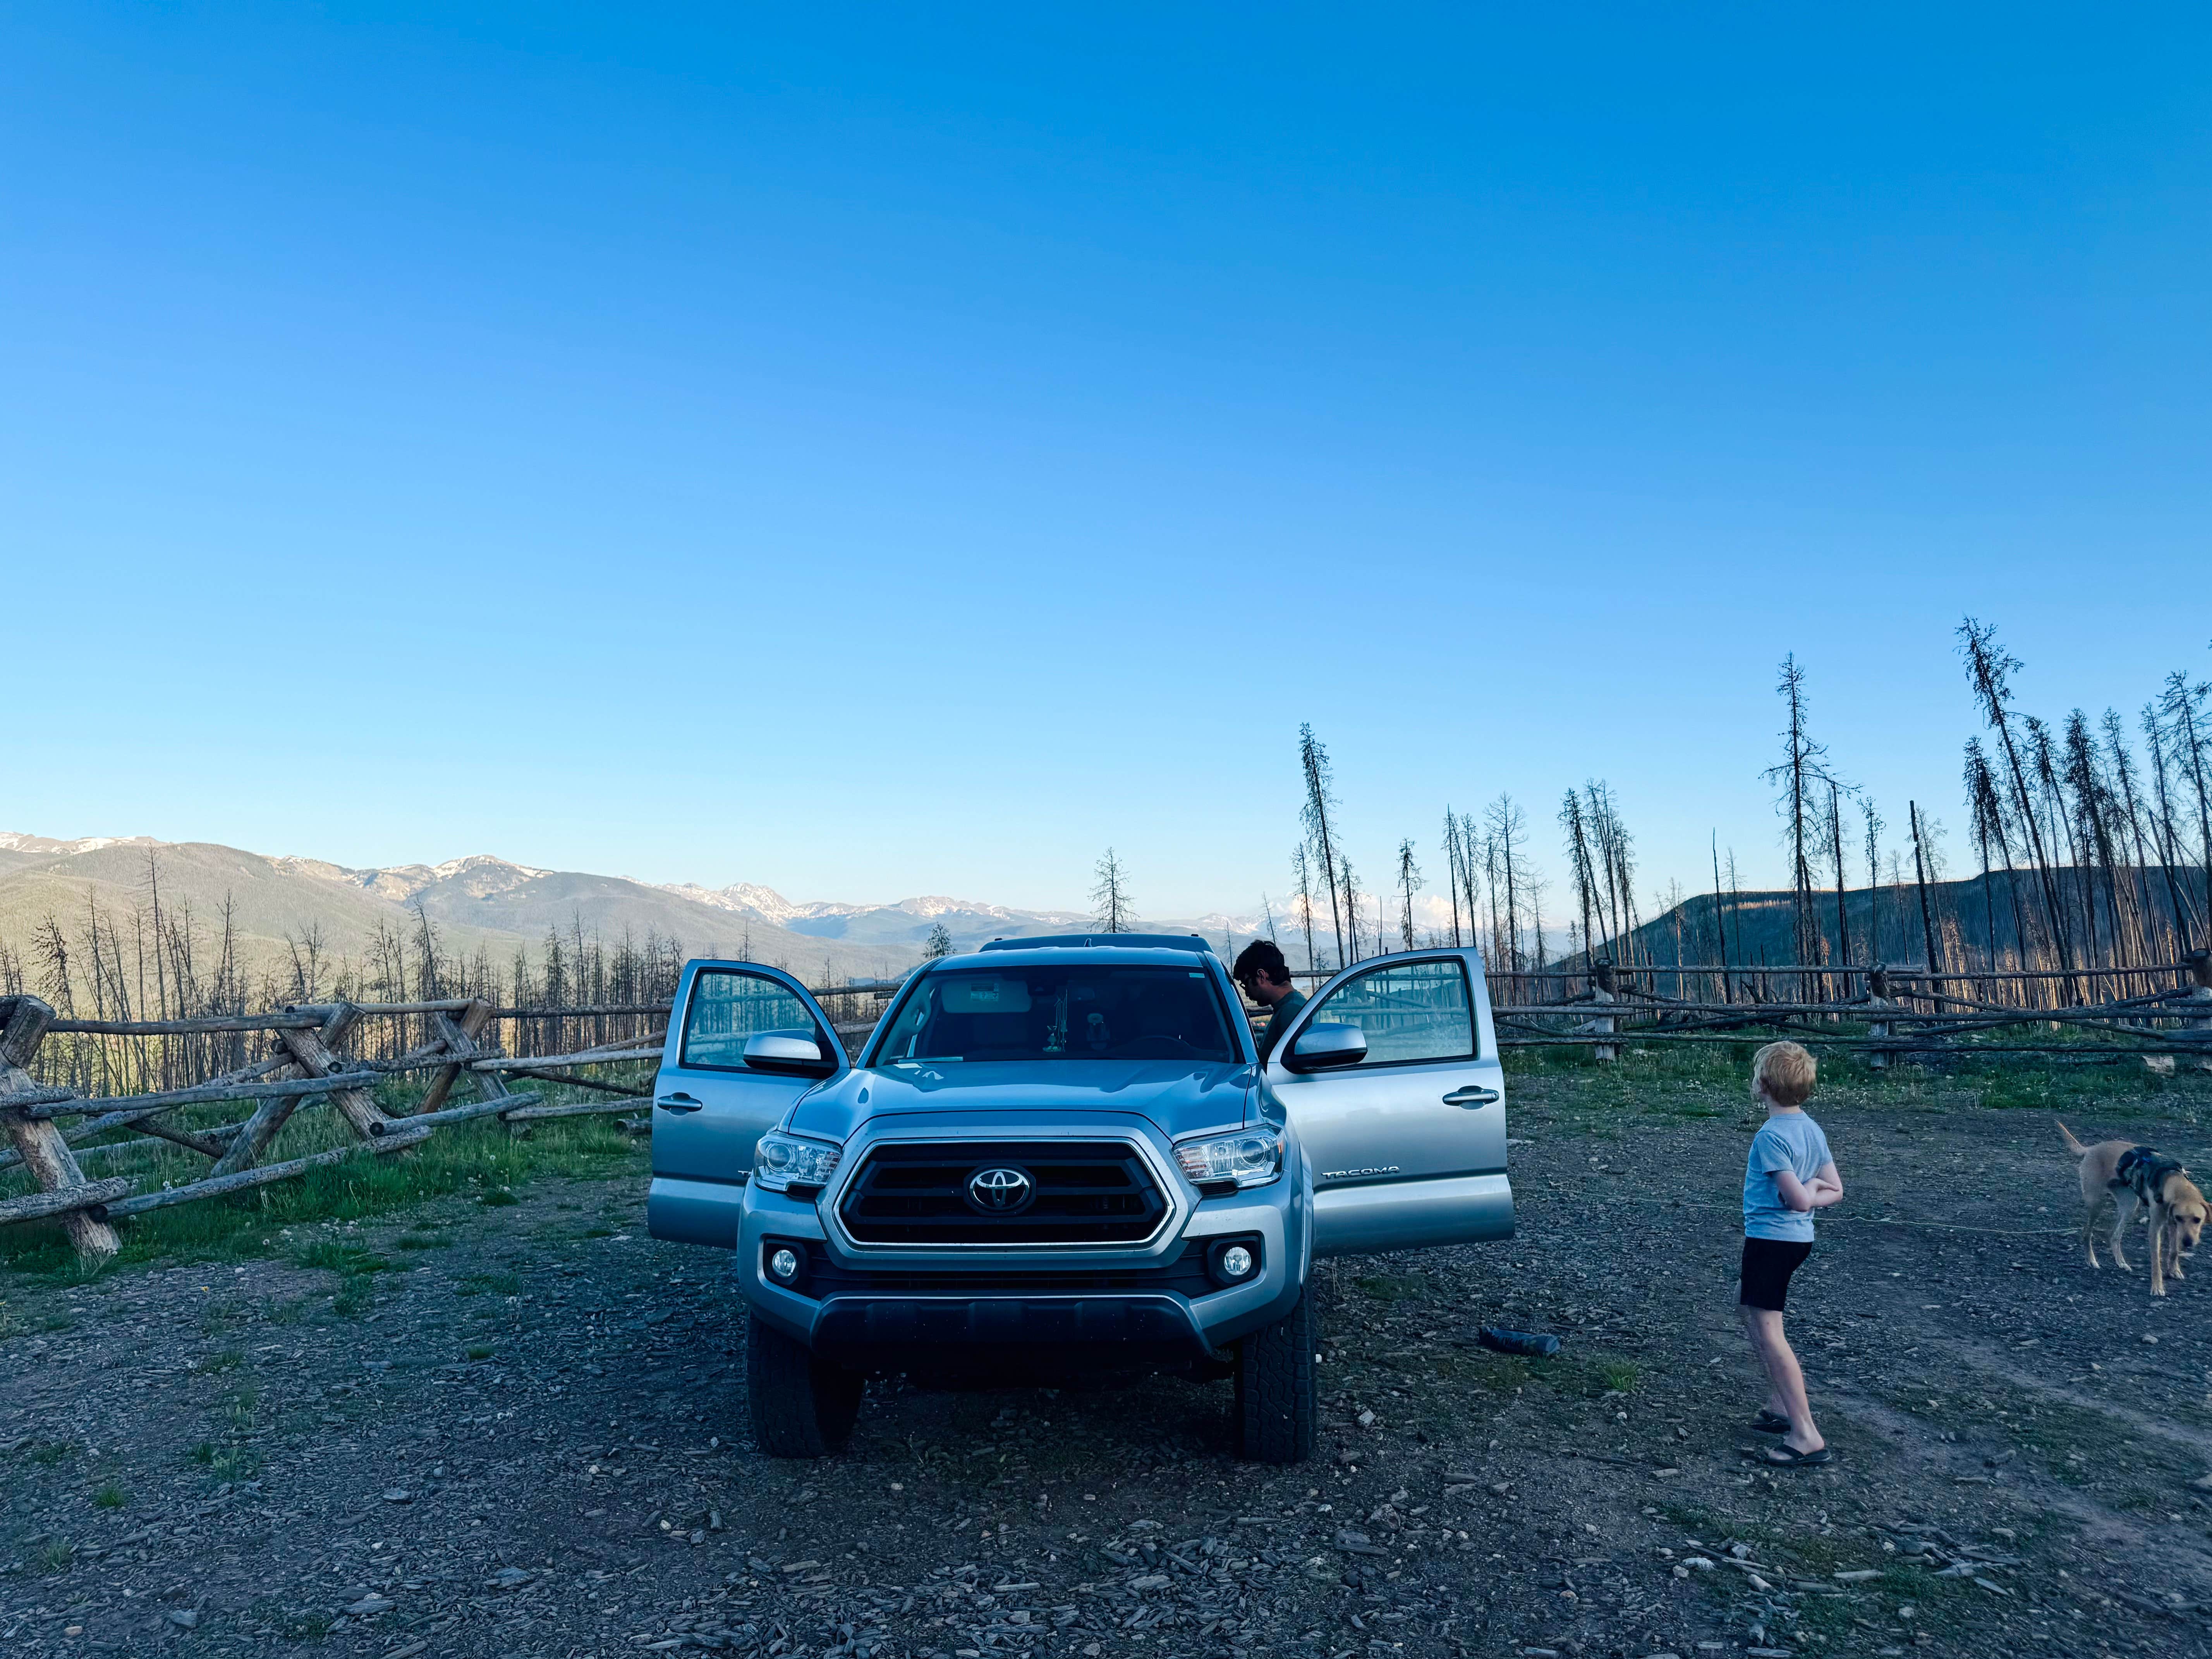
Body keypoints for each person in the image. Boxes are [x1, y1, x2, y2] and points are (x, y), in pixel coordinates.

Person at [1738, 1039, 1843, 1467]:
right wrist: (1816, 1190)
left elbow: (1798, 1200)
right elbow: (1835, 1190)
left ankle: (1805, 1433)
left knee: (1769, 1332)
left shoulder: (1771, 1137)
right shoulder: (1811, 1129)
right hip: (1794, 1241)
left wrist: (1808, 1193)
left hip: (1772, 1241)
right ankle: (1782, 1405)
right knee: (1748, 1311)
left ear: (1762, 1086)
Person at [1232, 940, 1306, 1062]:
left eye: (1246, 983)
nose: (1247, 992)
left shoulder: (1291, 1011)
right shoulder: (1286, 1007)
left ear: (1262, 976)